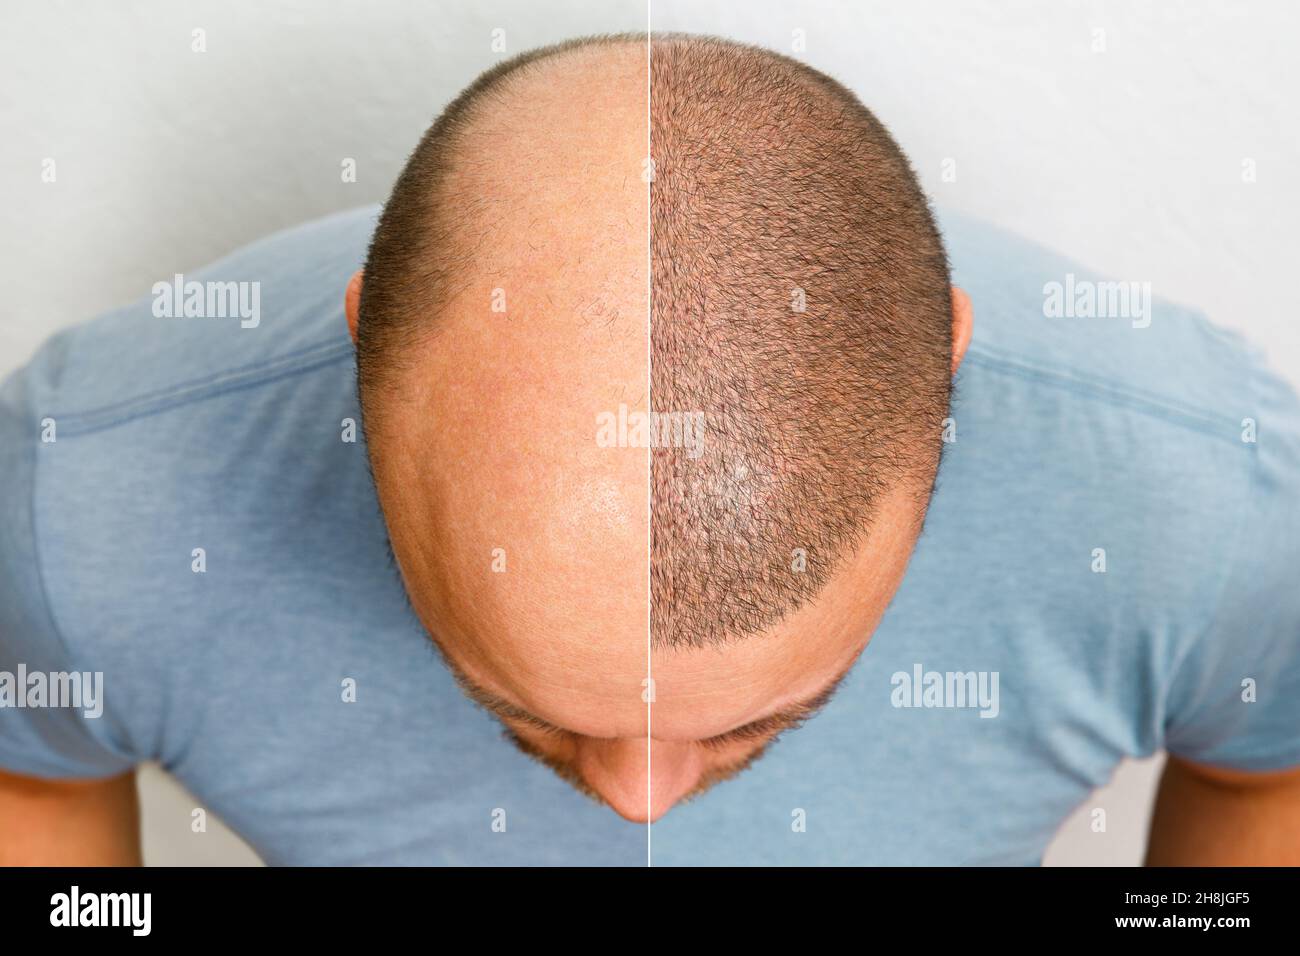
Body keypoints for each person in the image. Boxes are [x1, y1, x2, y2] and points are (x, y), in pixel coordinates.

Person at [2, 34, 1297, 866]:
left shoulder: (1211, 505)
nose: (639, 805)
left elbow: (1267, 772)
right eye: (527, 710)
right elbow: (35, 786)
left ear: (941, 387)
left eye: (758, 721)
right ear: (364, 354)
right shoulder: (79, 511)